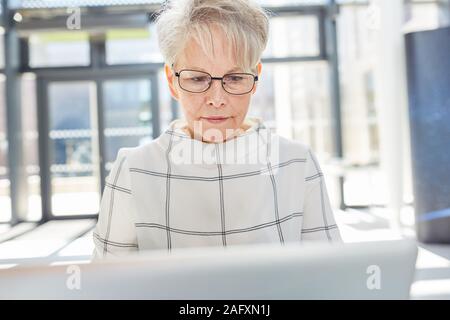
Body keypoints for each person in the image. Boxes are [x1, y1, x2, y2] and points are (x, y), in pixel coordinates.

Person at [92, 0, 341, 260]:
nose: (217, 99)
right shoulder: (134, 168)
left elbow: (329, 277)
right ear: (172, 82)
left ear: (255, 78)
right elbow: (107, 286)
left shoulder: (297, 163)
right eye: (198, 79)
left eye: (234, 78)